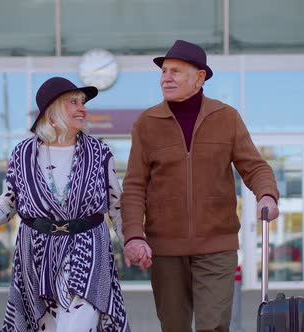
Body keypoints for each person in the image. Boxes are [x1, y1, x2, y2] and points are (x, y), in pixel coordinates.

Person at [120, 40, 281, 332]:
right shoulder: (146, 123)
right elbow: (134, 186)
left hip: (216, 246)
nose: (166, 77)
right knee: (174, 326)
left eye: (176, 71)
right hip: (166, 249)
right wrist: (134, 235)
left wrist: (266, 195)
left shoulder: (226, 117)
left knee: (214, 325)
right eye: (164, 71)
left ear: (199, 77)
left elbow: (255, 166)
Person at [0, 77, 130, 332]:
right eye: (74, 102)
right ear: (53, 110)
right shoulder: (23, 153)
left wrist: (131, 241)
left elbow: (116, 204)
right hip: (37, 252)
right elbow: (11, 200)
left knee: (78, 324)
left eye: (83, 102)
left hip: (88, 248)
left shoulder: (100, 152)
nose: (82, 108)